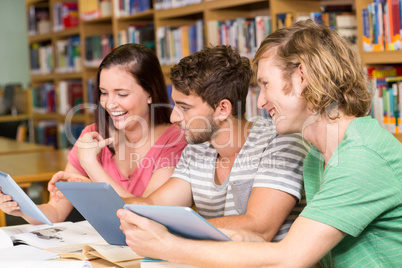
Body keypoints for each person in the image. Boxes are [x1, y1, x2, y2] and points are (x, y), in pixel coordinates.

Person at [117, 20, 402, 268]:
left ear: (302, 77)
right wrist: (237, 237)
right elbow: (293, 245)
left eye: (266, 84)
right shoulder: (319, 155)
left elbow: (289, 258)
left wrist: (169, 245)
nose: (261, 101)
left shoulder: (360, 158)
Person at [111, 45, 307, 241]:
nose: (173, 117)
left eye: (184, 108)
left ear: (222, 109)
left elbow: (259, 227)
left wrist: (169, 229)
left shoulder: (281, 141)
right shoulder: (197, 148)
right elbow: (154, 205)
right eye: (175, 105)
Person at [0, 43, 187, 224]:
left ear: (150, 93)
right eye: (104, 93)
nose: (110, 104)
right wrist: (20, 207)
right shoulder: (92, 135)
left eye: (121, 94)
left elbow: (146, 216)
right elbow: (55, 212)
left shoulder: (175, 141)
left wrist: (91, 167)